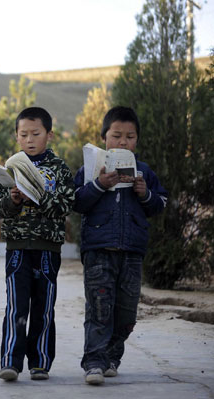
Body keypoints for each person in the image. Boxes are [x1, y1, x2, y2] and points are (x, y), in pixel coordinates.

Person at [73, 106, 167, 385]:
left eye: (129, 137)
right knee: (99, 308)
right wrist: (99, 184)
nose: (122, 142)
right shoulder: (90, 169)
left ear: (136, 141)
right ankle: (94, 362)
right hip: (99, 249)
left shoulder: (145, 172)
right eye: (116, 136)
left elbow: (160, 203)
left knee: (127, 311)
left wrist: (145, 193)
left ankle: (113, 356)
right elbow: (76, 202)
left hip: (132, 252)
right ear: (104, 137)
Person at [0, 107, 75, 382]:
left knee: (44, 306)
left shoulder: (59, 168)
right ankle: (10, 362)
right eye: (23, 134)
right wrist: (13, 200)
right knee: (16, 306)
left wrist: (37, 196)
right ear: (16, 136)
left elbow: (65, 205)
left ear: (49, 135)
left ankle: (40, 362)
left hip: (48, 248)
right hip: (17, 248)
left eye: (35, 134)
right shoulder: (11, 167)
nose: (29, 139)